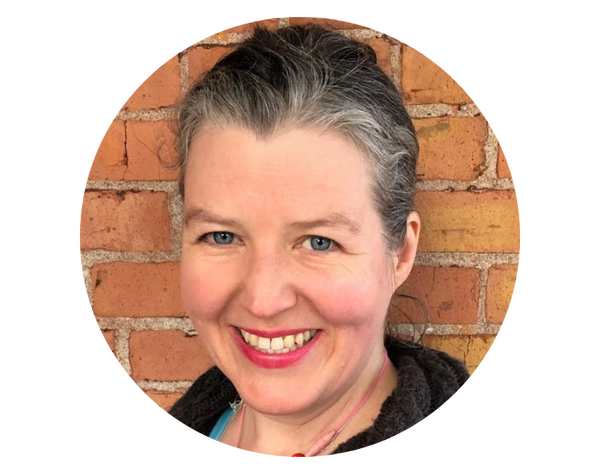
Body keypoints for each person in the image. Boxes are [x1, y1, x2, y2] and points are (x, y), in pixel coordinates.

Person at [167, 24, 470, 459]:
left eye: (319, 242)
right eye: (222, 236)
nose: (263, 301)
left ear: (401, 253)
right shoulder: (202, 417)